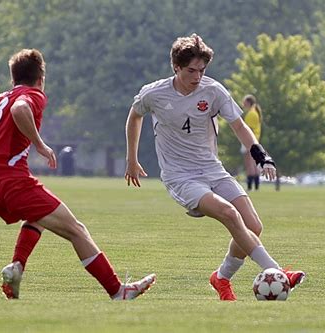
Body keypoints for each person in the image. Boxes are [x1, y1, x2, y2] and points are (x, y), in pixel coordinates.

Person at [0, 49, 155, 300]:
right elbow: (20, 110)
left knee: (39, 215)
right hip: (13, 184)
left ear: (13, 78)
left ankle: (16, 266)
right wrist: (39, 143)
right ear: (41, 77)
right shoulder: (33, 95)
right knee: (77, 230)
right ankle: (118, 291)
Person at [125, 34, 305, 301]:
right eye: (191, 70)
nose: (197, 76)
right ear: (176, 66)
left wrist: (261, 156)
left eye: (202, 70)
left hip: (212, 169)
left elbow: (239, 127)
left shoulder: (214, 91)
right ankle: (276, 271)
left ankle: (221, 278)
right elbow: (134, 115)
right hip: (181, 177)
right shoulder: (155, 93)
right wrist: (131, 158)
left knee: (253, 226)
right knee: (230, 214)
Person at [242, 95, 262, 191]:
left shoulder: (251, 113)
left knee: (250, 163)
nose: (243, 104)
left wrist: (247, 141)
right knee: (253, 163)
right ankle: (256, 185)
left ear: (249, 103)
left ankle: (251, 185)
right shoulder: (255, 112)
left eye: (245, 102)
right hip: (255, 140)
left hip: (249, 140)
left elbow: (248, 129)